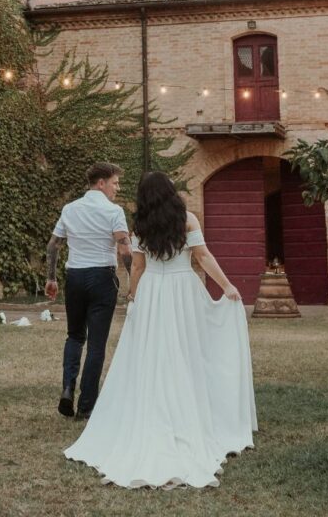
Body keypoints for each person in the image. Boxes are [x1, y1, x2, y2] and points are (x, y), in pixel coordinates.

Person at [63, 170, 257, 490]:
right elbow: (202, 257)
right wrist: (227, 286)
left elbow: (137, 267)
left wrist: (134, 295)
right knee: (187, 348)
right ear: (169, 191)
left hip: (153, 290)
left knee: (152, 351)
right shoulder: (187, 220)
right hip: (183, 291)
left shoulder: (140, 225)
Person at [45, 161, 132, 420]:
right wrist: (131, 280)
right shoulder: (114, 211)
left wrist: (51, 278)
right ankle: (85, 406)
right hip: (102, 278)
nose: (117, 188)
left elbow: (53, 246)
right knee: (96, 344)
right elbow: (125, 249)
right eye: (115, 183)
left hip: (75, 277)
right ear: (101, 183)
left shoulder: (70, 209)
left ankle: (68, 388)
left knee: (74, 336)